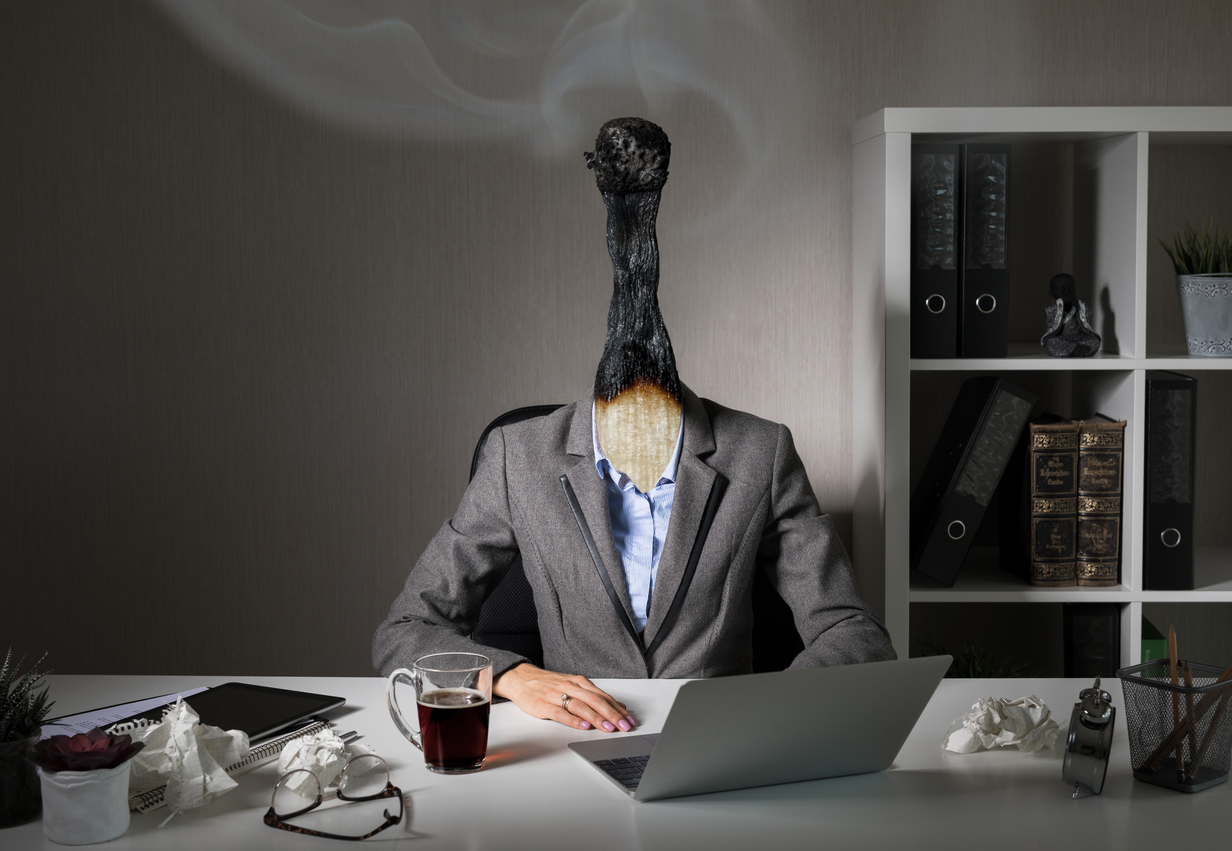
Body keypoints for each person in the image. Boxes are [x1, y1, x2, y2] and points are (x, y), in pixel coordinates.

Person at [372, 118, 894, 734]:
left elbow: (853, 632)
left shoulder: (761, 452)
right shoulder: (521, 457)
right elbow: (404, 634)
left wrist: (763, 718)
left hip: (718, 748)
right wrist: (512, 676)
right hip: (570, 750)